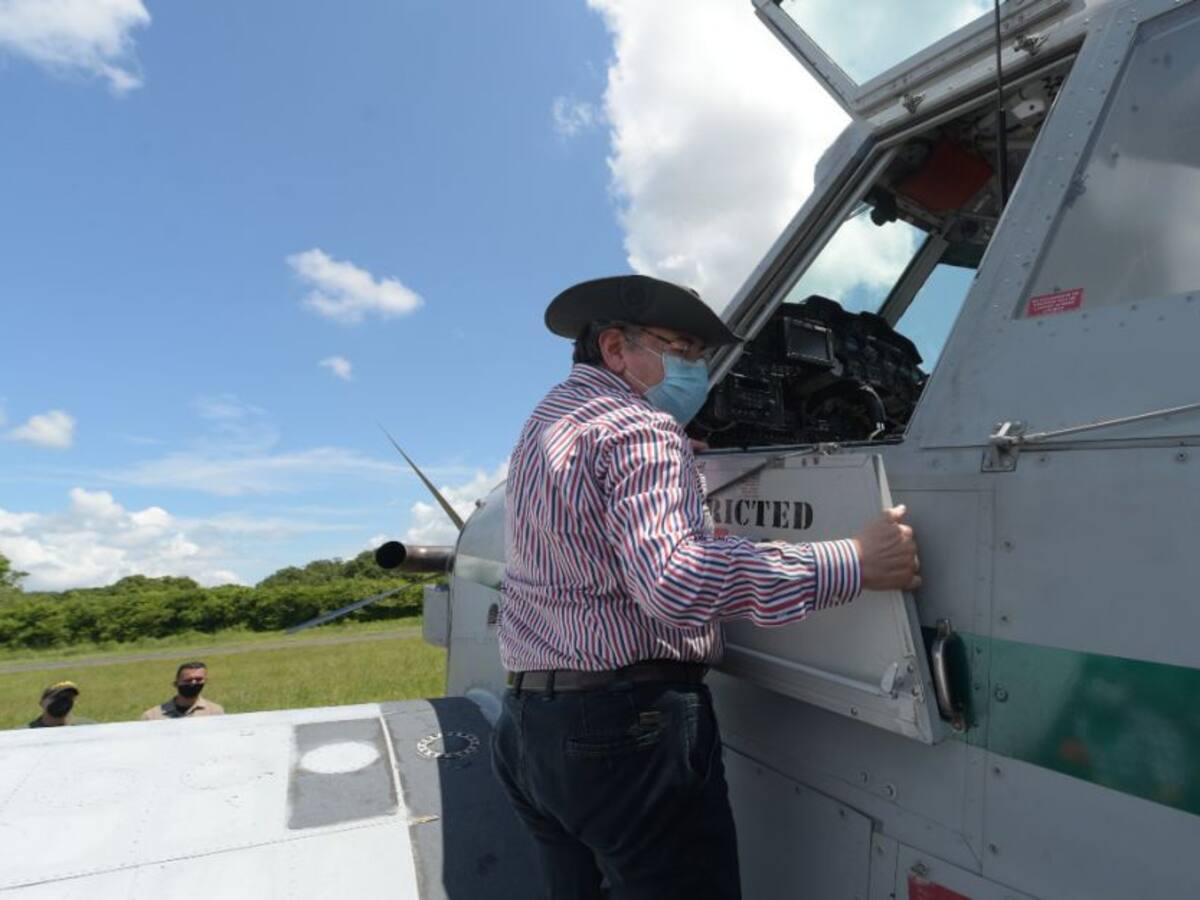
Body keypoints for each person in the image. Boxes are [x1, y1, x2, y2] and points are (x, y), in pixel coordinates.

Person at [492, 274, 921, 900]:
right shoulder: (639, 430)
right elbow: (676, 584)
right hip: (624, 733)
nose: (696, 370)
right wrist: (854, 560)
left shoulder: (550, 421)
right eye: (683, 351)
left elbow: (596, 551)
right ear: (615, 348)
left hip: (531, 731)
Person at [140, 661, 225, 720]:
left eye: (198, 679)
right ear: (175, 683)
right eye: (188, 680)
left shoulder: (215, 712)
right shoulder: (152, 716)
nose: (193, 683)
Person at [28, 681, 96, 728]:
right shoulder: (25, 733)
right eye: (57, 697)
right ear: (42, 703)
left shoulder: (88, 727)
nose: (62, 701)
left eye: (69, 697)